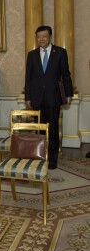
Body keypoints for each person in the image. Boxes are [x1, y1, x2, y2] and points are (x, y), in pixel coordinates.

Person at [25, 25, 73, 169]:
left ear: (50, 36)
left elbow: (66, 75)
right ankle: (40, 156)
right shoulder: (32, 55)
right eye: (39, 37)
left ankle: (52, 160)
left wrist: (69, 94)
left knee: (52, 130)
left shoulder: (60, 52)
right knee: (39, 130)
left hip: (53, 98)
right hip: (37, 98)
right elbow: (28, 78)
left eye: (44, 36)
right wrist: (28, 98)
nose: (41, 39)